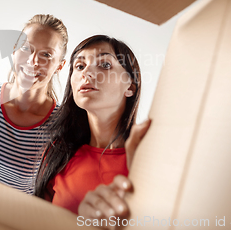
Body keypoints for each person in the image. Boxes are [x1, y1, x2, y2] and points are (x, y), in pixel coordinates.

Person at [34, 35, 150, 216]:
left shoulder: (145, 160)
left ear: (130, 87)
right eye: (79, 66)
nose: (86, 73)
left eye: (105, 65)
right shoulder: (56, 154)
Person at [0, 14, 68, 193]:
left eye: (46, 55)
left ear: (59, 66)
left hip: (12, 215)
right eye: (26, 48)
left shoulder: (62, 125)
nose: (32, 61)